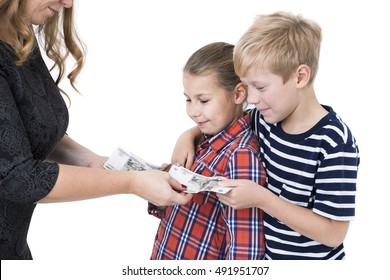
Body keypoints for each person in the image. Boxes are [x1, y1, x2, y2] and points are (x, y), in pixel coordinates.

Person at [0, 0, 192, 260]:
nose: (67, 3)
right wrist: (132, 183)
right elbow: (19, 178)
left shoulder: (19, 35)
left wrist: (92, 161)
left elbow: (25, 128)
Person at [172, 12, 360, 260]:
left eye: (260, 87)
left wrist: (263, 200)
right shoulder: (264, 117)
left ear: (300, 76)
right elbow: (233, 126)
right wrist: (188, 135)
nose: (251, 99)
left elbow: (333, 234)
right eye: (247, 87)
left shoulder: (334, 143)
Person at [149, 42, 266, 260]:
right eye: (188, 99)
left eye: (203, 100)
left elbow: (245, 249)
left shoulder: (240, 155)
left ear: (239, 94)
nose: (193, 111)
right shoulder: (201, 141)